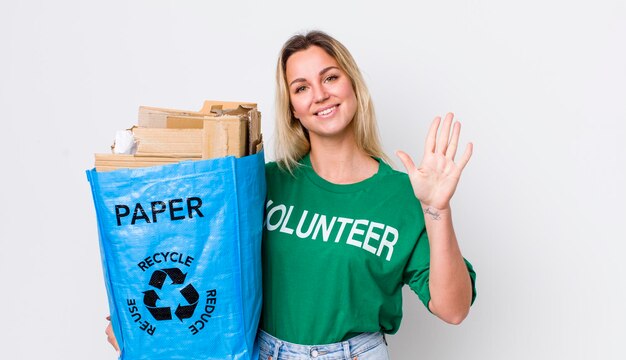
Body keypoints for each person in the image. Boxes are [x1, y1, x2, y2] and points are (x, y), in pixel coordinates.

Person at [106, 30, 477, 359]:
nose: (320, 95)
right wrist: (142, 327)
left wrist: (437, 209)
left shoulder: (404, 195)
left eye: (330, 77)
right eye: (301, 88)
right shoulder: (262, 183)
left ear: (353, 86)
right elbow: (200, 259)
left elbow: (453, 308)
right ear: (293, 109)